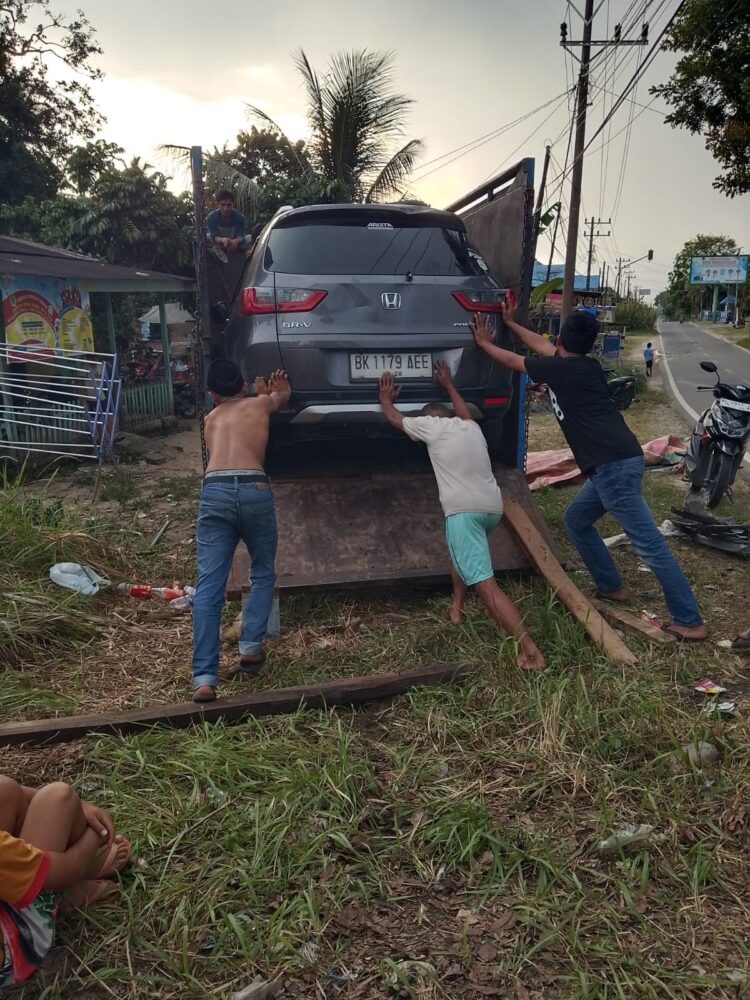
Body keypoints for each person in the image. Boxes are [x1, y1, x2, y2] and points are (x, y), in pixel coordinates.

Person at [471, 305, 707, 642]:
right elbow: (540, 345)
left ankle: (690, 620)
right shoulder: (583, 365)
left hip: (613, 467)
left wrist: (484, 344)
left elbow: (514, 361)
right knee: (576, 521)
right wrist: (509, 323)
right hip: (614, 462)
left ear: (563, 339)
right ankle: (611, 586)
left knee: (650, 545)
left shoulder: (561, 369)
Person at [378, 363, 546, 670]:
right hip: (491, 507)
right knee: (464, 555)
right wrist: (449, 385)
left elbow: (393, 417)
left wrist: (386, 397)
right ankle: (456, 609)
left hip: (463, 512)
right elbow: (463, 412)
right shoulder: (470, 427)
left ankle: (530, 651)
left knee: (485, 583)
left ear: (430, 417)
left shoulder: (431, 427)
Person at [192, 359, 292, 703]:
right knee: (262, 570)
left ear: (212, 394)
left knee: (209, 586)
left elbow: (232, 420)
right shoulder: (259, 405)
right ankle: (250, 647)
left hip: (215, 490)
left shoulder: (210, 419)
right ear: (243, 386)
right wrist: (272, 390)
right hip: (254, 488)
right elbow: (282, 396)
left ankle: (204, 677)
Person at [0, 776, 130, 987]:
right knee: (59, 799)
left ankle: (36, 874)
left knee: (4, 790)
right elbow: (69, 869)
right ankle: (65, 896)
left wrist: (85, 807)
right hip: (15, 947)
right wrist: (95, 832)